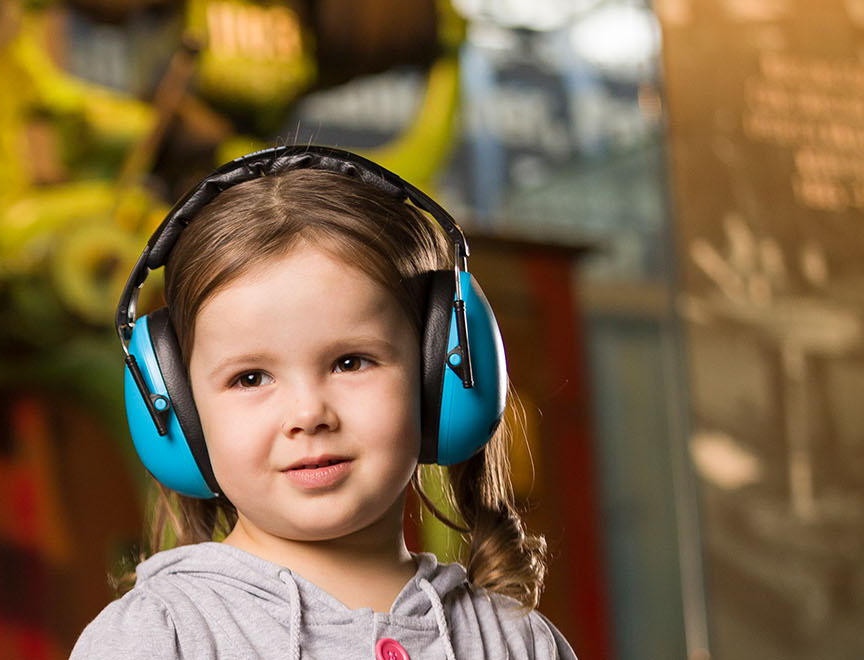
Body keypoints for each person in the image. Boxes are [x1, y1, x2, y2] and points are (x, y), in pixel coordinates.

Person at [75, 146, 576, 659]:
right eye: (251, 378)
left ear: (440, 376)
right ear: (178, 409)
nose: (309, 415)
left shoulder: (518, 642)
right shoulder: (154, 639)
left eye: (350, 362)